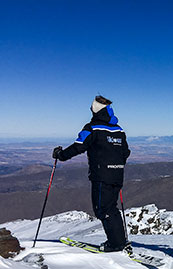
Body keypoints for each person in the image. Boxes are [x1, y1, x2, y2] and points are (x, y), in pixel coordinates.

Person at [52, 95, 131, 252]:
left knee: (103, 209)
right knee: (111, 208)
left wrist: (60, 155)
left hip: (102, 175)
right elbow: (126, 152)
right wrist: (116, 164)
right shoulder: (118, 130)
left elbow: (79, 146)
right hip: (117, 175)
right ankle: (120, 240)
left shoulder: (93, 128)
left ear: (95, 110)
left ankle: (116, 244)